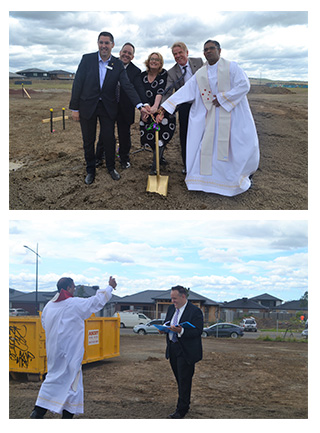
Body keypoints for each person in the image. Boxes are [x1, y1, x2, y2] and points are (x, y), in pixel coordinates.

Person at [160, 40, 260, 196]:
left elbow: (244, 85)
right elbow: (187, 89)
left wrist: (223, 98)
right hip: (212, 117)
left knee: (236, 145)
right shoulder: (201, 73)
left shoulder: (232, 67)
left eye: (211, 48)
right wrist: (165, 106)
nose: (208, 52)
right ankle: (211, 180)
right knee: (210, 147)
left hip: (233, 114)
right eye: (205, 50)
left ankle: (233, 179)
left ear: (219, 50)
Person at [30, 275, 117, 419]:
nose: (75, 289)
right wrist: (110, 287)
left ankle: (36, 414)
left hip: (54, 353)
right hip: (70, 354)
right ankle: (65, 419)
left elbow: (45, 325)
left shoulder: (48, 306)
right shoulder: (73, 304)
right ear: (69, 288)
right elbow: (96, 302)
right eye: (74, 286)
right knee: (73, 386)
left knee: (52, 382)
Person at [69, 32, 150, 185]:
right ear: (98, 43)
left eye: (107, 43)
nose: (104, 46)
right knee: (89, 140)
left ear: (112, 45)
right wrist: (74, 108)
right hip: (87, 105)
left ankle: (111, 168)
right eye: (101, 42)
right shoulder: (87, 59)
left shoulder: (117, 64)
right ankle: (90, 170)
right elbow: (78, 83)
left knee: (109, 139)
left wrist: (140, 105)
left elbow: (127, 85)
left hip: (107, 107)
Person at [95, 42, 148, 169]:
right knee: (105, 133)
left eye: (129, 53)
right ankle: (99, 156)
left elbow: (138, 88)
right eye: (124, 52)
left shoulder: (136, 71)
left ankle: (124, 159)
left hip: (125, 108)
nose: (126, 55)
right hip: (109, 106)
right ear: (119, 52)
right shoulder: (110, 63)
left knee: (124, 135)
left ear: (132, 57)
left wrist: (144, 104)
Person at [161, 285, 203, 419]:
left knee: (185, 380)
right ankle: (185, 402)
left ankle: (181, 410)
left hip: (186, 351)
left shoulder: (195, 311)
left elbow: (198, 331)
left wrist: (181, 331)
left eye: (174, 298)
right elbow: (167, 323)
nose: (172, 301)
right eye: (171, 298)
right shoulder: (171, 309)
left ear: (183, 296)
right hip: (173, 348)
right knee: (180, 379)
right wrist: (163, 329)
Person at [161, 42, 203, 173]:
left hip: (203, 105)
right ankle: (187, 165)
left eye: (180, 52)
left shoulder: (199, 62)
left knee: (204, 134)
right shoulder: (172, 72)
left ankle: (203, 164)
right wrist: (163, 108)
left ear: (187, 52)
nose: (178, 56)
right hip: (185, 107)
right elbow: (167, 92)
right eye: (175, 54)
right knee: (185, 135)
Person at [140, 52, 176, 174]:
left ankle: (155, 168)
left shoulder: (164, 74)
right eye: (152, 59)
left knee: (161, 137)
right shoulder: (142, 75)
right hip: (147, 110)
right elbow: (141, 93)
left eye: (157, 60)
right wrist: (144, 110)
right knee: (149, 137)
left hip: (162, 110)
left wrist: (156, 107)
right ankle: (159, 157)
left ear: (160, 63)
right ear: (148, 61)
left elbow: (161, 91)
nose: (154, 61)